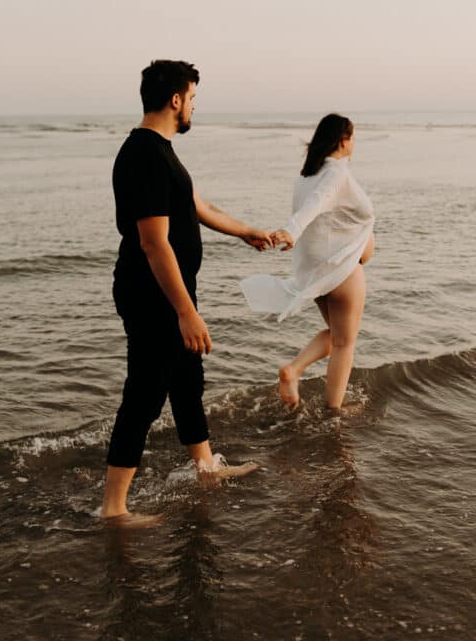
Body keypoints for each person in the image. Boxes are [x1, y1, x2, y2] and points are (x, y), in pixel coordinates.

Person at [102, 60, 272, 523]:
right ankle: (113, 508)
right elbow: (153, 242)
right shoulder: (145, 156)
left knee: (186, 379)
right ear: (176, 99)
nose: (194, 106)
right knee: (145, 391)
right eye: (193, 98)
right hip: (152, 292)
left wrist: (247, 232)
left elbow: (197, 207)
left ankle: (205, 468)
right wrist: (185, 312)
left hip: (170, 291)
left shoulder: (163, 152)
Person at [241, 114, 375, 414]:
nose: (354, 144)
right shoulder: (336, 173)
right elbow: (316, 205)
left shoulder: (306, 176)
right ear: (343, 140)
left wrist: (295, 231)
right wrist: (291, 230)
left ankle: (293, 369)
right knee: (345, 344)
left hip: (318, 275)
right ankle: (334, 410)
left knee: (337, 336)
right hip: (342, 270)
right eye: (353, 138)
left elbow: (321, 212)